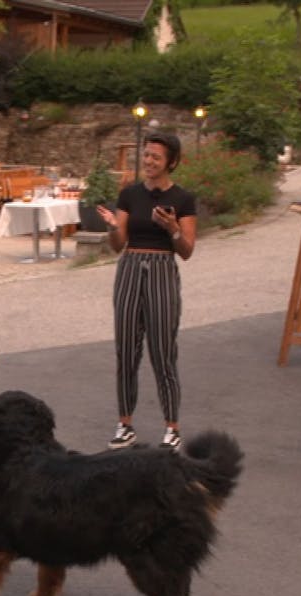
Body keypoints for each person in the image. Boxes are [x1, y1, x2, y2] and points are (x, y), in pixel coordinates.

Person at [95, 132, 197, 450]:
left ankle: (172, 427)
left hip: (162, 270)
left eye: (156, 157)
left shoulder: (183, 199)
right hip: (129, 269)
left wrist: (173, 229)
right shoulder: (130, 195)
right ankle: (125, 424)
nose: (149, 162)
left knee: (163, 352)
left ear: (171, 162)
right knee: (126, 350)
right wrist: (113, 226)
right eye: (147, 155)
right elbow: (117, 245)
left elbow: (187, 250)